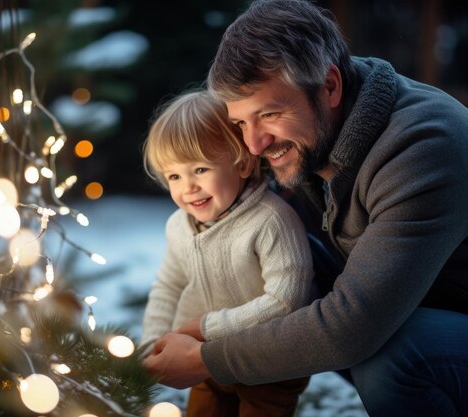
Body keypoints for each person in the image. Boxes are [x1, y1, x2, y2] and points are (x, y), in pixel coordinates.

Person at [142, 1, 468, 416]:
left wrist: (205, 358)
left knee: (397, 356)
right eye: (241, 123)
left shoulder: (424, 149)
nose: (254, 145)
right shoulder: (317, 125)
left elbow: (352, 326)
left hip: (448, 324)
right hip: (417, 302)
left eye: (270, 114)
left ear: (330, 86)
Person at [140, 89, 314, 417]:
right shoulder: (179, 226)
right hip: (203, 363)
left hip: (268, 366)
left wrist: (208, 328)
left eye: (200, 169)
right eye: (174, 175)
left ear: (243, 163)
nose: (188, 187)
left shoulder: (271, 221)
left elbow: (286, 301)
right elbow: (168, 285)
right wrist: (153, 343)